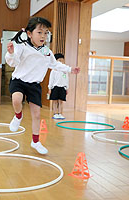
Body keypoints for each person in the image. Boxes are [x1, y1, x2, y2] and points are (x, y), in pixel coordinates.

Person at [5, 17, 80, 154]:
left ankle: (35, 142)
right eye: (39, 32)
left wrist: (70, 69)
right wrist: (10, 53)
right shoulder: (22, 47)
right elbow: (13, 62)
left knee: (37, 114)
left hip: (34, 85)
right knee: (16, 100)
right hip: (19, 81)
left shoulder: (47, 52)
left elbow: (55, 65)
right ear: (29, 34)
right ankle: (18, 116)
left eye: (46, 33)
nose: (43, 36)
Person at [48, 53, 69, 120]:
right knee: (55, 101)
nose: (61, 62)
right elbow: (51, 79)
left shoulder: (65, 70)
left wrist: (67, 88)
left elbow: (67, 79)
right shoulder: (54, 70)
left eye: (62, 60)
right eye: (59, 60)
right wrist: (50, 88)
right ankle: (55, 113)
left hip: (62, 87)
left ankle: (60, 113)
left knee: (61, 101)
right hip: (55, 87)